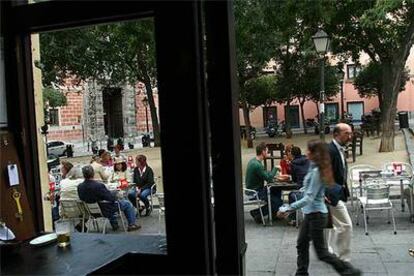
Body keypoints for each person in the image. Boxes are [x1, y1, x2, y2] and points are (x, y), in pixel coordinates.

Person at [277, 139, 361, 276]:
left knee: (322, 253)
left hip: (316, 215)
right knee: (302, 244)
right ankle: (302, 273)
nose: (306, 152)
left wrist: (288, 208)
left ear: (315, 153)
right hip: (311, 214)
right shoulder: (313, 167)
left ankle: (348, 270)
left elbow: (309, 197)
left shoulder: (317, 171)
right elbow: (309, 189)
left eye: (309, 150)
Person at [77, 165, 141, 232]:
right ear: (93, 173)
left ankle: (115, 224)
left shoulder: (80, 187)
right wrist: (115, 193)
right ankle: (131, 225)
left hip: (90, 212)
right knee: (127, 204)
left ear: (83, 175)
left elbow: (82, 198)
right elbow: (110, 198)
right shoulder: (98, 185)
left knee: (107, 203)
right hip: (104, 209)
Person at [327, 123, 353, 262]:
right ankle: (344, 259)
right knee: (346, 225)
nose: (350, 136)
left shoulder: (340, 149)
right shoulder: (329, 150)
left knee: (332, 224)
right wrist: (331, 194)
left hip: (337, 193)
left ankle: (328, 251)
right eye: (346, 133)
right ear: (336, 134)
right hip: (332, 195)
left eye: (350, 133)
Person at [246, 142, 283, 224]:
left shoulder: (254, 161)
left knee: (276, 189)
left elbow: (265, 175)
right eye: (267, 151)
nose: (268, 153)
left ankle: (273, 215)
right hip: (255, 191)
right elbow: (268, 178)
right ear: (263, 152)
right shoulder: (257, 165)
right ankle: (257, 213)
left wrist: (273, 175)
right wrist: (275, 168)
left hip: (254, 189)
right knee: (278, 202)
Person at [287, 146, 310, 224]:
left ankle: (293, 219)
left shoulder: (293, 163)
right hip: (310, 189)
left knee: (291, 195)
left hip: (302, 190)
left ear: (292, 155)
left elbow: (294, 179)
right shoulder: (307, 160)